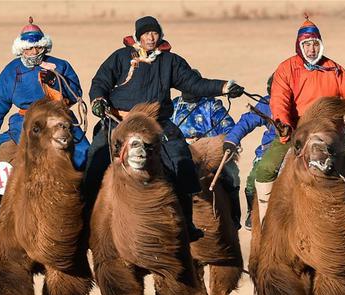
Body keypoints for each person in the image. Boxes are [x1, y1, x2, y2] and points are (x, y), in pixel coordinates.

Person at [86, 16, 244, 241]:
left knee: (181, 161)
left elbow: (193, 84)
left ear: (160, 35)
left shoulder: (170, 61)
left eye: (155, 33)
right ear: (138, 35)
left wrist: (224, 87)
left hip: (156, 121)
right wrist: (98, 100)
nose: (151, 37)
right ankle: (85, 221)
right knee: (96, 158)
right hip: (120, 120)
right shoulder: (120, 57)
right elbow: (100, 81)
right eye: (147, 33)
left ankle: (187, 223)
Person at [255, 16, 345, 230]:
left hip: (330, 131)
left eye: (315, 44)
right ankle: (265, 223)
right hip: (296, 130)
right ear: (299, 46)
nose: (311, 49)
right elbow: (279, 99)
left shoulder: (333, 69)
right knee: (265, 169)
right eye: (307, 44)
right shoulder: (286, 69)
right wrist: (283, 125)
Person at [0, 17, 89, 227]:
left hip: (58, 117)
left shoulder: (59, 65)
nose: (33, 53)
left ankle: (89, 200)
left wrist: (54, 79)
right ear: (21, 50)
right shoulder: (11, 71)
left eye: (37, 48)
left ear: (44, 47)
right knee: (4, 160)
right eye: (29, 49)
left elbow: (76, 93)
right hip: (24, 123)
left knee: (85, 153)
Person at [170, 73, 240, 228]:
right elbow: (164, 131)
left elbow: (229, 127)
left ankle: (234, 216)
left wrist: (209, 142)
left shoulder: (211, 105)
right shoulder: (172, 107)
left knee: (232, 176)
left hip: (210, 154)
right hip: (181, 155)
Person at [224, 75, 276, 229]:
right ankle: (253, 211)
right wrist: (232, 139)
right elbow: (247, 121)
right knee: (253, 179)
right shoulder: (268, 103)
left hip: (299, 147)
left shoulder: (302, 101)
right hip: (270, 149)